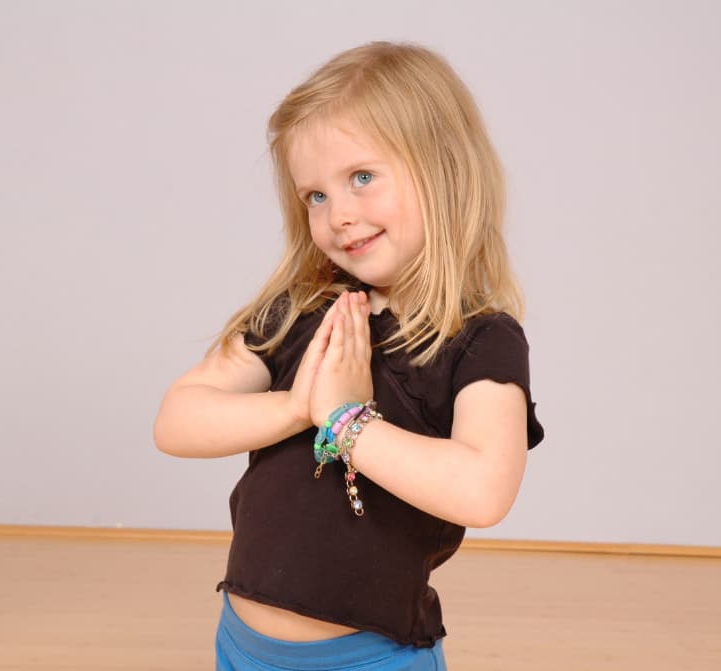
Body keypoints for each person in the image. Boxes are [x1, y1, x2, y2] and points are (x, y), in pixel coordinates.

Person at [154, 40, 545, 671]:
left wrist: (344, 421)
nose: (339, 215)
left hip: (372, 658)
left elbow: (482, 491)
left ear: (441, 168)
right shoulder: (301, 311)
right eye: (316, 196)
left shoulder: (479, 340)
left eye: (362, 178)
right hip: (243, 645)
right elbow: (176, 420)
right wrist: (298, 407)